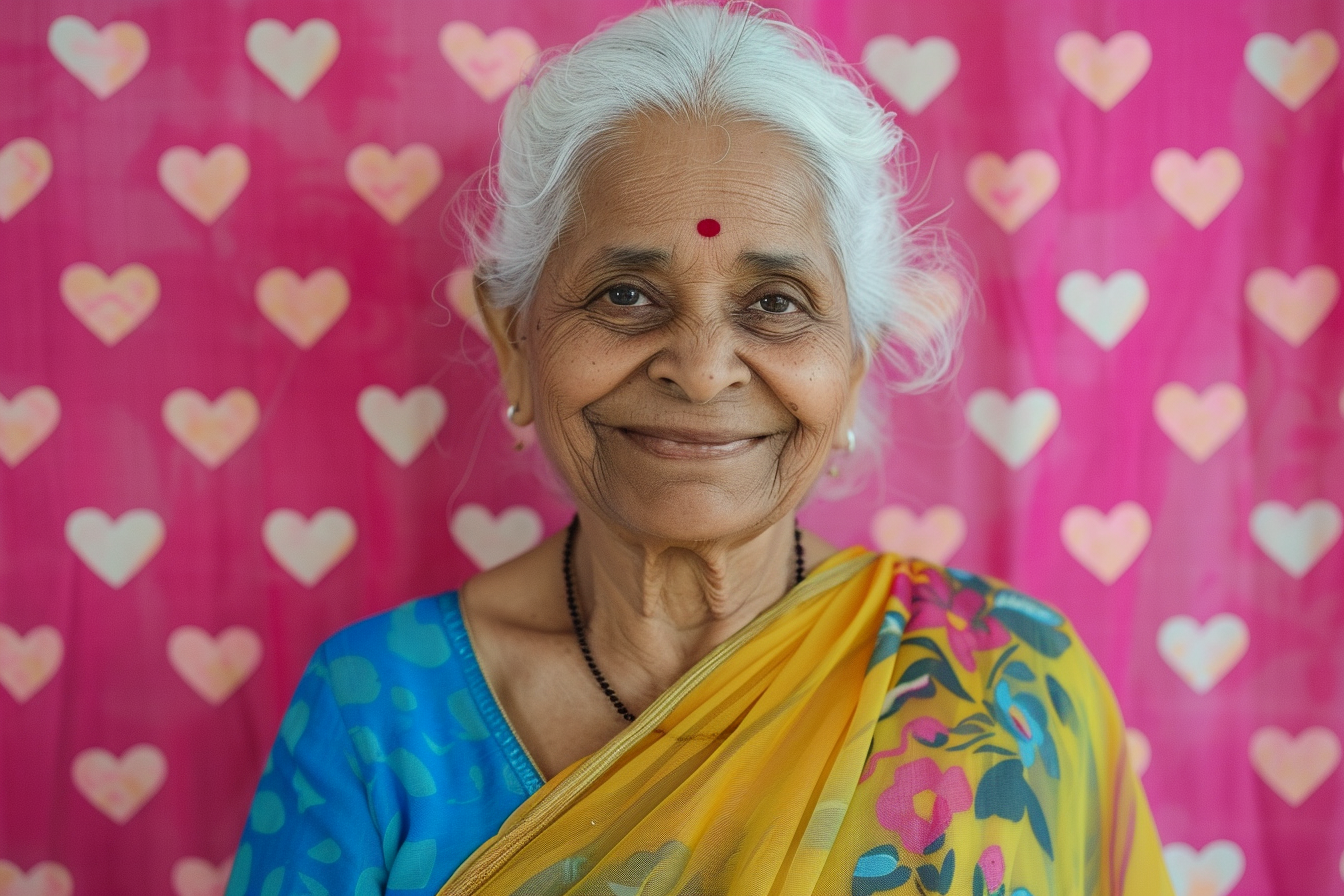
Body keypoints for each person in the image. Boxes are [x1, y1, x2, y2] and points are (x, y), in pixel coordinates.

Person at [226, 4, 1175, 895]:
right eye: (626, 295)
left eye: (777, 304)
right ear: (515, 340)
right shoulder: (379, 711)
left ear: (853, 365)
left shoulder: (1008, 679)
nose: (704, 368)